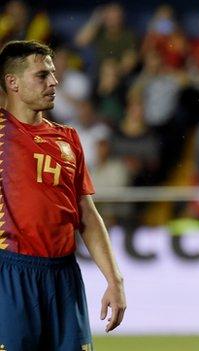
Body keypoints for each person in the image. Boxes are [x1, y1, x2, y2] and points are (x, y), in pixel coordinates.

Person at [0, 40, 126, 350]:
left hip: (64, 277)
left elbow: (87, 215)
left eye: (54, 74)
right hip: (12, 273)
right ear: (12, 82)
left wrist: (115, 280)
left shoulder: (68, 139)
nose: (54, 82)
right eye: (42, 75)